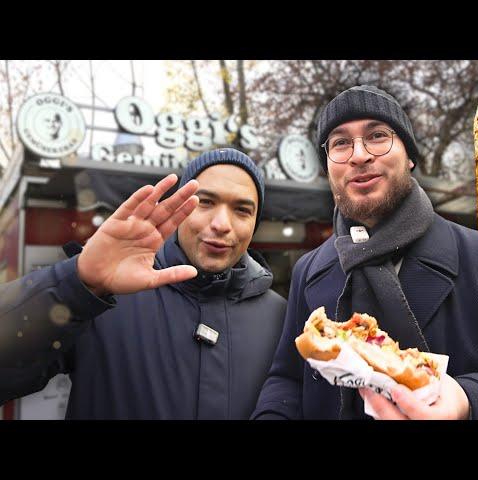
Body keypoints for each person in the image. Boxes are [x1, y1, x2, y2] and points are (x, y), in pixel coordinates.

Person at [252, 85, 478, 420]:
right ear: (328, 169)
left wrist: (466, 400)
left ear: (409, 157)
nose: (359, 155)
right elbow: (287, 380)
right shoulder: (308, 268)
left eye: (377, 136)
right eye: (340, 143)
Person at [0, 148, 286, 419]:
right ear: (180, 209)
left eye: (242, 210)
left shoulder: (282, 317)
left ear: (255, 222)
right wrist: (76, 284)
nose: (222, 223)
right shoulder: (104, 295)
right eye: (206, 202)